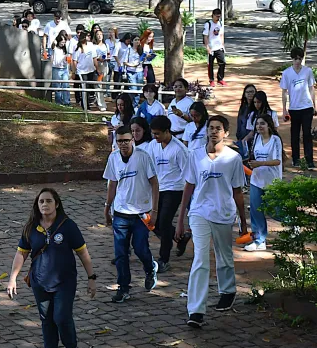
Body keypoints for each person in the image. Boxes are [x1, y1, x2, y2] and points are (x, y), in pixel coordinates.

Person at [6, 188, 96, 348]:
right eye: (41, 202)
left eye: (48, 201)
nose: (45, 205)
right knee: (46, 319)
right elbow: (21, 253)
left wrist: (91, 277)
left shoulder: (68, 226)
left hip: (65, 281)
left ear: (57, 204)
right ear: (37, 205)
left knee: (61, 317)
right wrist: (12, 278)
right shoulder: (31, 228)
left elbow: (82, 253)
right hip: (40, 282)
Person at [175, 115, 248, 328]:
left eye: (218, 128)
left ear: (225, 133)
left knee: (224, 255)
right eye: (211, 127)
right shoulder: (195, 155)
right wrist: (180, 219)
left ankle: (227, 290)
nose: (214, 131)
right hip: (199, 212)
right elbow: (188, 186)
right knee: (200, 258)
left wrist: (243, 221)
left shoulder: (233, 158)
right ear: (207, 131)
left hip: (224, 213)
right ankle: (196, 310)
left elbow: (237, 191)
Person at [104, 126, 160, 303]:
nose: (123, 144)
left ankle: (150, 267)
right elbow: (112, 184)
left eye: (126, 140)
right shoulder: (113, 158)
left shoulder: (143, 157)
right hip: (120, 212)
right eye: (120, 141)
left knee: (140, 248)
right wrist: (107, 207)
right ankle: (123, 287)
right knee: (120, 253)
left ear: (133, 140)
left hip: (141, 213)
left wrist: (155, 210)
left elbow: (154, 184)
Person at [144, 116, 189, 272]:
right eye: (153, 134)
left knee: (163, 222)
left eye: (157, 134)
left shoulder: (179, 149)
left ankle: (164, 258)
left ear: (167, 131)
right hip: (157, 189)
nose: (155, 137)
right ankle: (179, 238)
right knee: (152, 222)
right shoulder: (152, 146)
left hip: (174, 189)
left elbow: (188, 174)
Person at [245, 114, 284, 252]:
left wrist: (260, 163)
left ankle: (293, 222)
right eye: (257, 124)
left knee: (275, 211)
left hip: (272, 181)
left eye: (262, 123)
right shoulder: (256, 138)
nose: (259, 126)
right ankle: (259, 240)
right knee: (256, 210)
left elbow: (278, 161)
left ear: (269, 125)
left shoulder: (275, 140)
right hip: (256, 180)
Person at [280, 47, 317, 168]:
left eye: (300, 59)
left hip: (306, 107)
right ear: (292, 59)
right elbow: (284, 92)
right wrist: (284, 109)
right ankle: (295, 159)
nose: (297, 61)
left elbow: (312, 88)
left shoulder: (308, 71)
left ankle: (309, 160)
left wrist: (315, 105)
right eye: (295, 58)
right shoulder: (286, 73)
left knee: (307, 134)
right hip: (294, 108)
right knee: (294, 134)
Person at [73, 30, 99, 111]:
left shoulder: (91, 45)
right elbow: (74, 61)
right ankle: (85, 106)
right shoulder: (78, 47)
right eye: (87, 36)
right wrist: (74, 72)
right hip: (82, 72)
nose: (89, 37)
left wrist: (97, 69)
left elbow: (94, 58)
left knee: (92, 88)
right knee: (85, 89)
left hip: (91, 70)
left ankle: (88, 102)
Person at [203, 8, 226, 86]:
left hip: (219, 47)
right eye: (216, 16)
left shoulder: (220, 23)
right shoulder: (208, 24)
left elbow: (221, 35)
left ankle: (220, 79)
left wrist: (222, 45)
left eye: (219, 17)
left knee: (222, 63)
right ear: (212, 15)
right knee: (211, 65)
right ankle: (211, 80)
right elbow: (205, 36)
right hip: (211, 47)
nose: (217, 18)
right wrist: (207, 47)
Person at [49, 30, 72, 106]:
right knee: (57, 86)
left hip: (64, 68)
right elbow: (52, 46)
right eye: (62, 42)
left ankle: (66, 102)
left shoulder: (65, 49)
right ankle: (58, 102)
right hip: (56, 68)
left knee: (65, 85)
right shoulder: (55, 48)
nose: (63, 44)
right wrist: (55, 42)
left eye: (64, 43)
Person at [235, 84, 257, 159]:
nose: (250, 94)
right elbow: (239, 122)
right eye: (247, 92)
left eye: (252, 92)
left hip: (253, 139)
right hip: (242, 137)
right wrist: (239, 136)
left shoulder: (257, 107)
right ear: (244, 94)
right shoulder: (243, 107)